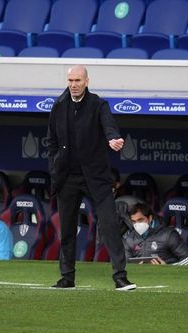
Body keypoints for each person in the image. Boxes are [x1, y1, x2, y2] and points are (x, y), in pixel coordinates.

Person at [47, 65, 136, 290]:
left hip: (96, 177)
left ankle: (120, 276)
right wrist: (54, 166)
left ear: (87, 81)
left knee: (109, 225)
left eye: (78, 80)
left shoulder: (98, 104)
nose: (74, 85)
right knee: (67, 229)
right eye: (70, 80)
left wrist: (113, 139)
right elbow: (51, 141)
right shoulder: (58, 105)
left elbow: (109, 127)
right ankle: (67, 277)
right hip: (67, 177)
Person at [124, 202, 188, 265]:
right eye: (134, 221)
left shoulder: (168, 234)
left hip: (166, 276)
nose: (137, 224)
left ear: (150, 218)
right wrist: (137, 267)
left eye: (140, 220)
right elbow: (126, 263)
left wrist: (168, 268)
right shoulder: (130, 238)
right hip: (142, 277)